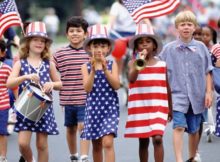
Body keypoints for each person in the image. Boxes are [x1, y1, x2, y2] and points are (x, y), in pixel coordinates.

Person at [159, 10, 213, 162]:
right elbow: (157, 66)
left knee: (194, 130)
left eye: (189, 24)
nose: (186, 27)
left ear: (194, 27)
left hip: (197, 95)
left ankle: (192, 157)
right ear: (177, 27)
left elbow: (208, 71)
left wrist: (208, 92)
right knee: (179, 127)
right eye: (182, 24)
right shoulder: (169, 48)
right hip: (177, 95)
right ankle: (179, 159)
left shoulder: (202, 47)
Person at [6, 21, 62, 162]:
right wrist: (25, 77)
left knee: (42, 145)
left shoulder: (49, 64)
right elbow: (9, 83)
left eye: (42, 41)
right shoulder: (20, 63)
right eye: (35, 40)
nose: (39, 43)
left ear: (46, 45)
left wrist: (52, 83)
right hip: (25, 108)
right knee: (23, 144)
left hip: (43, 108)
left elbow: (60, 84)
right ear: (28, 42)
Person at [124, 23, 172, 162]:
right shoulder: (133, 63)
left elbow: (167, 86)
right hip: (140, 107)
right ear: (136, 46)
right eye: (141, 42)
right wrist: (140, 62)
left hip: (158, 106)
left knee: (157, 138)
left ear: (154, 45)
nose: (144, 45)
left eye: (148, 41)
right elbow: (131, 79)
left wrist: (170, 108)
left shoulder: (162, 64)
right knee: (143, 141)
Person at [81, 24, 120, 162]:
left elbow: (116, 85)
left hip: (109, 109)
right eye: (96, 46)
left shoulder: (111, 64)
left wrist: (104, 69)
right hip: (93, 109)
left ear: (108, 48)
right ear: (90, 48)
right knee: (96, 145)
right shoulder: (85, 67)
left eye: (103, 46)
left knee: (107, 142)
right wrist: (93, 70)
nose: (99, 50)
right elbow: (87, 88)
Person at [53, 16, 90, 162]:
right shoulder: (59, 54)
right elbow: (49, 71)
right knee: (70, 128)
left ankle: (84, 156)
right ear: (67, 34)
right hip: (67, 99)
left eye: (79, 31)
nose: (75, 33)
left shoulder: (90, 53)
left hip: (86, 98)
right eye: (71, 31)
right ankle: (73, 154)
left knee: (82, 126)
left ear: (85, 34)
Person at [0, 39, 13, 162]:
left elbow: (14, 85)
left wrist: (18, 101)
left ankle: (2, 157)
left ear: (3, 53)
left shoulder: (6, 69)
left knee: (2, 133)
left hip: (2, 106)